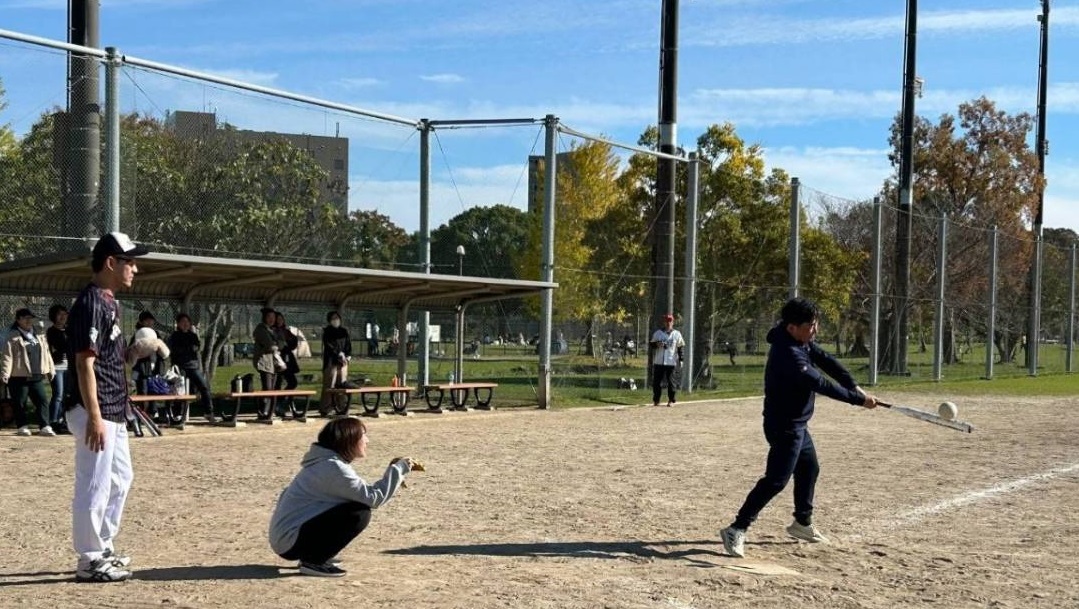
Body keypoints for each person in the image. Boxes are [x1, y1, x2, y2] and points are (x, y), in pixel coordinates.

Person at [719, 297, 877, 559]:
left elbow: (826, 360)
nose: (814, 330)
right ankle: (737, 528)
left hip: (797, 425)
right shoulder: (789, 354)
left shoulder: (798, 341)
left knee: (809, 468)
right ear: (792, 327)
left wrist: (853, 385)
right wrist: (858, 400)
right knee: (776, 480)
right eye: (810, 325)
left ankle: (802, 523)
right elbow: (821, 384)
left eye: (815, 324)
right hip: (784, 426)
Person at [66, 231, 150, 582]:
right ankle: (89, 558)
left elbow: (108, 361)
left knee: (120, 478)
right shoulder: (90, 303)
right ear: (111, 263)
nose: (135, 269)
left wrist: (134, 352)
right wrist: (95, 417)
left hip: (114, 408)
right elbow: (84, 363)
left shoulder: (110, 302)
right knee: (95, 481)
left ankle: (102, 545)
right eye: (130, 261)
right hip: (94, 411)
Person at [268, 417, 416, 577]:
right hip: (290, 541)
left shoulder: (325, 463)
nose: (367, 440)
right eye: (363, 435)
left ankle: (315, 555)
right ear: (348, 440)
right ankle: (314, 561)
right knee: (359, 513)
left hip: (286, 537)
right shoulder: (332, 467)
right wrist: (398, 469)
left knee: (353, 506)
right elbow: (373, 498)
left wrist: (394, 473)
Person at [1, 308, 56, 436]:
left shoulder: (39, 334)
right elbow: (7, 357)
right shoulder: (12, 336)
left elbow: (47, 353)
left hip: (37, 375)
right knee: (20, 402)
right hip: (19, 376)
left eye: (30, 318)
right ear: (18, 320)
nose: (28, 320)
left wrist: (51, 369)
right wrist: (5, 374)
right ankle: (22, 426)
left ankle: (45, 426)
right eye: (25, 318)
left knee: (42, 401)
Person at [167, 313, 215, 422]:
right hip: (180, 367)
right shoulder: (174, 336)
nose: (185, 324)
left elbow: (196, 347)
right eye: (182, 322)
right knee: (180, 389)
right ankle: (178, 414)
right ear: (178, 324)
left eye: (187, 322)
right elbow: (174, 350)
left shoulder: (193, 335)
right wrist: (187, 349)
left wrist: (190, 348)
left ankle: (209, 412)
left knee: (204, 386)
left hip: (193, 367)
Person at [130, 311, 167, 421]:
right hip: (142, 369)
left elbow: (163, 350)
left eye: (151, 320)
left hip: (155, 367)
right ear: (141, 322)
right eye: (147, 320)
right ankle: (142, 415)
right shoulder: (138, 334)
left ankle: (153, 413)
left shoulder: (157, 334)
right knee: (143, 391)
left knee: (154, 390)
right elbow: (131, 352)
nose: (150, 322)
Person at [252, 307, 283, 420]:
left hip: (273, 363)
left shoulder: (272, 330)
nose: (272, 319)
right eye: (269, 317)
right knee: (268, 388)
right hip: (264, 362)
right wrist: (276, 346)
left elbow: (282, 343)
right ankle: (263, 412)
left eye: (273, 317)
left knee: (272, 388)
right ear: (264, 318)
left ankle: (269, 412)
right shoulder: (261, 329)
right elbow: (270, 345)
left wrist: (277, 345)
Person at [649, 313, 685, 407]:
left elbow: (680, 347)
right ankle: (656, 400)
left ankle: (671, 400)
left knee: (671, 382)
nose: (668, 323)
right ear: (664, 322)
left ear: (673, 322)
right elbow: (651, 344)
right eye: (667, 321)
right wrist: (657, 344)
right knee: (657, 382)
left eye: (670, 321)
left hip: (671, 361)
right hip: (659, 361)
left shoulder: (676, 334)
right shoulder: (658, 333)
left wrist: (681, 359)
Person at [319, 311, 351, 416]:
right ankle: (325, 408)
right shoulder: (327, 332)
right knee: (330, 385)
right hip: (331, 362)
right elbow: (329, 346)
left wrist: (347, 355)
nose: (335, 320)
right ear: (329, 320)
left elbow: (348, 345)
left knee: (341, 385)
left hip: (343, 363)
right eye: (333, 318)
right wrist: (338, 354)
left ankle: (341, 407)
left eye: (337, 318)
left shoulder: (344, 331)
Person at [46, 304, 71, 433]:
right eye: (60, 314)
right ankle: (53, 421)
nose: (63, 317)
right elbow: (61, 346)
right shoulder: (51, 331)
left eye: (65, 314)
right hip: (57, 367)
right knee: (58, 394)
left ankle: (63, 420)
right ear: (54, 316)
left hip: (69, 367)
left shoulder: (69, 330)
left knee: (67, 395)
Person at [273, 312, 301, 418]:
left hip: (288, 360)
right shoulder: (273, 331)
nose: (280, 321)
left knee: (293, 382)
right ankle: (277, 406)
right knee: (277, 384)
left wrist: (287, 343)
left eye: (281, 319)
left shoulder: (286, 331)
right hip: (277, 360)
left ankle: (286, 402)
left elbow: (293, 342)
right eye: (277, 319)